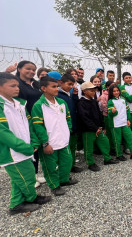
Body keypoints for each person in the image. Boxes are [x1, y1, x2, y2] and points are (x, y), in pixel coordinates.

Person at [0, 73, 51, 215]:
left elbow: (29, 125)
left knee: (18, 179)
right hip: (12, 152)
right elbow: (3, 133)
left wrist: (34, 142)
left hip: (26, 148)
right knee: (27, 176)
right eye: (12, 86)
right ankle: (31, 198)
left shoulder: (19, 104)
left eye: (17, 85)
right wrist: (25, 147)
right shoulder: (2, 106)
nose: (17, 88)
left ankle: (16, 203)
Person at [32, 76, 78, 196]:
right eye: (53, 86)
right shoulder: (39, 105)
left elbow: (68, 118)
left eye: (57, 86)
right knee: (50, 166)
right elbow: (38, 126)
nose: (57, 88)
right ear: (43, 88)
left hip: (63, 140)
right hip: (49, 143)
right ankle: (54, 185)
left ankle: (64, 180)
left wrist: (68, 130)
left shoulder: (62, 102)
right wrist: (45, 143)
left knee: (67, 162)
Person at [5, 61, 46, 187]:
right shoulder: (17, 84)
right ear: (19, 69)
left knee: (39, 145)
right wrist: (6, 72)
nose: (32, 71)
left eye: (34, 69)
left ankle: (37, 172)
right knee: (29, 145)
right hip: (25, 118)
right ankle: (30, 176)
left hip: (40, 118)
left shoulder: (36, 84)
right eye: (28, 69)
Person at [77, 82, 119, 172]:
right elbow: (84, 118)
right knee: (89, 147)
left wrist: (102, 126)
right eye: (91, 90)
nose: (93, 92)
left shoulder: (93, 101)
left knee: (105, 141)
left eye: (94, 90)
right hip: (88, 130)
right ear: (84, 91)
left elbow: (99, 114)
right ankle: (90, 163)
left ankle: (107, 159)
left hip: (98, 128)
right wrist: (94, 128)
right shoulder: (81, 103)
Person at [57, 74, 83, 173]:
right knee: (65, 150)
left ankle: (72, 165)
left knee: (72, 147)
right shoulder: (58, 96)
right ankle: (64, 169)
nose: (71, 87)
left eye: (72, 84)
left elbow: (74, 106)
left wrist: (75, 96)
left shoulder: (70, 94)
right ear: (61, 83)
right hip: (64, 126)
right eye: (69, 84)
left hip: (73, 124)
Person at [107, 85, 132, 160]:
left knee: (131, 137)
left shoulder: (123, 100)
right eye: (114, 91)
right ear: (111, 92)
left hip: (124, 123)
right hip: (115, 124)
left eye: (117, 91)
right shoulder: (111, 101)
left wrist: (128, 119)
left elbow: (127, 110)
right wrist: (113, 112)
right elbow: (110, 113)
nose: (116, 92)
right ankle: (119, 155)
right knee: (117, 140)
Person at [98, 81, 116, 156]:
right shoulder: (104, 95)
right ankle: (110, 149)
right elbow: (103, 106)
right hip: (107, 116)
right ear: (108, 87)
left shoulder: (114, 94)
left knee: (114, 132)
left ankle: (114, 147)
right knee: (109, 133)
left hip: (115, 116)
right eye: (111, 86)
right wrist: (110, 111)